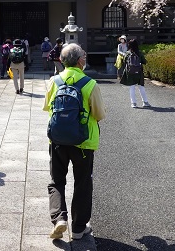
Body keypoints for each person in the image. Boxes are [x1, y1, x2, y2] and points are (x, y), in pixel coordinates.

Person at [43, 43, 106, 240]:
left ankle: (59, 218)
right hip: (84, 142)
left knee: (56, 181)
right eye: (84, 57)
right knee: (83, 183)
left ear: (61, 60)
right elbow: (99, 114)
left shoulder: (54, 81)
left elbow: (47, 107)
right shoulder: (90, 83)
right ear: (80, 61)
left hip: (58, 141)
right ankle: (79, 228)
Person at [120, 38, 151, 108]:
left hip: (130, 72)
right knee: (141, 87)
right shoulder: (139, 53)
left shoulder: (127, 53)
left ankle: (133, 103)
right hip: (139, 72)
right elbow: (144, 61)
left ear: (129, 45)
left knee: (132, 87)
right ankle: (145, 102)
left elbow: (124, 62)